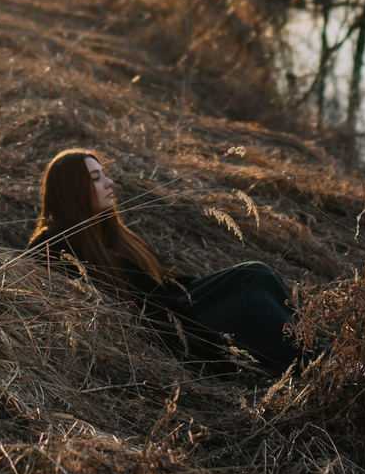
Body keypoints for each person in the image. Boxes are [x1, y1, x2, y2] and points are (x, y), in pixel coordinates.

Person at [26, 148, 301, 376]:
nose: (109, 183)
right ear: (73, 190)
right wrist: (221, 360)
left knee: (255, 275)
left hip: (178, 308)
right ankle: (303, 353)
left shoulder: (110, 233)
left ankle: (309, 337)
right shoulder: (54, 244)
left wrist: (215, 289)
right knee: (255, 285)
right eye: (95, 178)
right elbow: (150, 309)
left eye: (104, 175)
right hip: (171, 331)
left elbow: (166, 284)